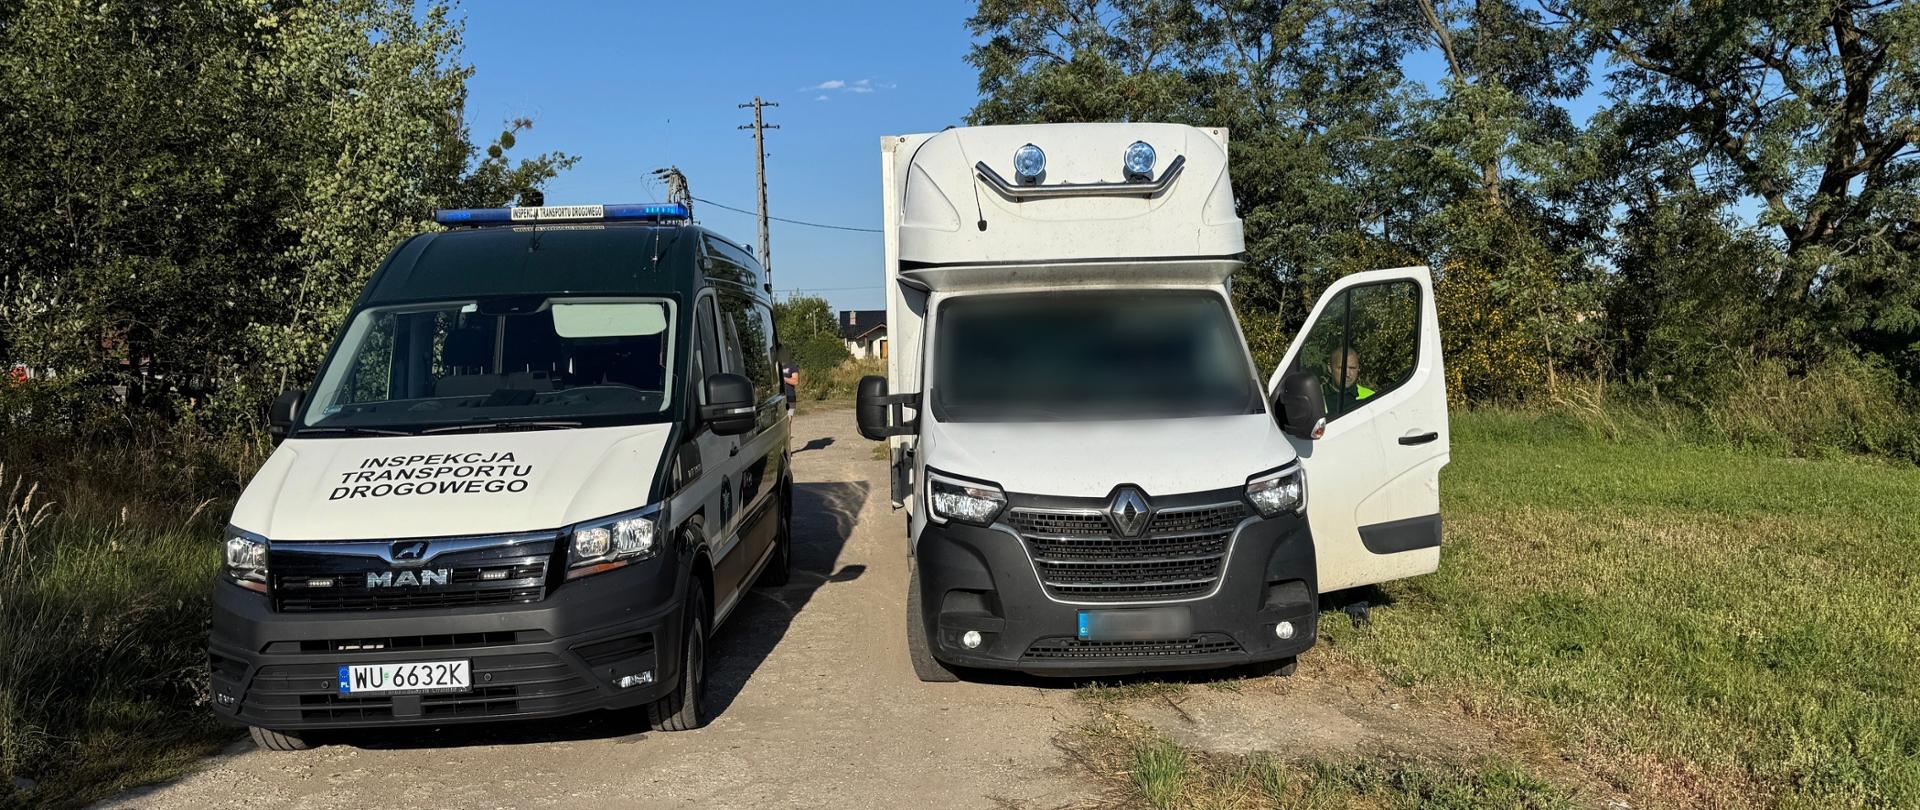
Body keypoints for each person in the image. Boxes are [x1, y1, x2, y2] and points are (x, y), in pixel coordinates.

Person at [1327, 344, 1374, 415]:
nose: (1347, 374)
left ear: (1358, 368)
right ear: (1330, 368)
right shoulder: (1316, 399)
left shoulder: (1372, 397)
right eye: (1342, 368)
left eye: (1352, 368)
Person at [776, 346, 799, 415]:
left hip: (790, 396)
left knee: (789, 417)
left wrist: (783, 379)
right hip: (778, 398)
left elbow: (795, 381)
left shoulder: (792, 365)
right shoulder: (775, 366)